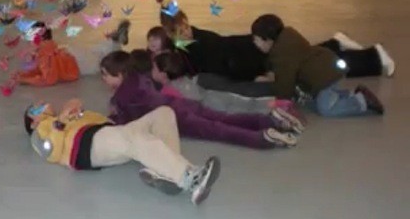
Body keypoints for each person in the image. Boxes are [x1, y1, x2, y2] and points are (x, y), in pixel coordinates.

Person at [23, 100, 221, 205]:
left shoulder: (63, 116)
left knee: (164, 113)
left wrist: (78, 111)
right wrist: (60, 123)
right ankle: (189, 178)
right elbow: (50, 152)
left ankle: (168, 174)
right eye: (35, 109)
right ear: (33, 122)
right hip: (86, 144)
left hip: (107, 134)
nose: (41, 104)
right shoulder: (39, 131)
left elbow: (103, 122)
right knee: (131, 138)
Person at [100, 51, 305, 149]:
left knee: (219, 131)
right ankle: (270, 120)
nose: (103, 79)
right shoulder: (140, 79)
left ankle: (262, 139)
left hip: (178, 120)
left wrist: (111, 119)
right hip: (185, 105)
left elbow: (127, 125)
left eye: (105, 75)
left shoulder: (122, 97)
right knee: (225, 118)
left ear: (120, 74)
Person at [159, 3, 395, 85]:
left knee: (305, 63)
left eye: (186, 26)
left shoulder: (196, 43)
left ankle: (372, 57)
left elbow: (224, 63)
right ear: (170, 32)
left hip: (250, 52)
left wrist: (256, 75)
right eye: (180, 30)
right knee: (303, 57)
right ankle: (336, 43)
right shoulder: (184, 48)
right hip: (247, 52)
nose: (186, 31)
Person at [250, 14, 385, 117]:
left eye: (256, 39)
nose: (254, 43)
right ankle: (350, 95)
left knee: (326, 109)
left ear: (268, 40)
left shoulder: (283, 54)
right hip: (326, 67)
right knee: (317, 101)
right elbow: (276, 65)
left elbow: (285, 82)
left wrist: (281, 103)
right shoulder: (285, 42)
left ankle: (362, 101)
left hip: (325, 76)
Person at [147, 30, 292, 114]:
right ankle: (275, 102)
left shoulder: (172, 57)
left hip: (202, 82)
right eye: (151, 45)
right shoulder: (156, 63)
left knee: (237, 95)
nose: (154, 51)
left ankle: (276, 98)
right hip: (201, 87)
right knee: (236, 99)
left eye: (157, 47)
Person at [17, 20, 130, 85]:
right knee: (94, 51)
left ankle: (116, 46)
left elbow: (48, 79)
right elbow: (42, 68)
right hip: (70, 52)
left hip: (78, 64)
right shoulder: (47, 47)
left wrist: (24, 80)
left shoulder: (44, 54)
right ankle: (112, 40)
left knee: (101, 62)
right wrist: (25, 74)